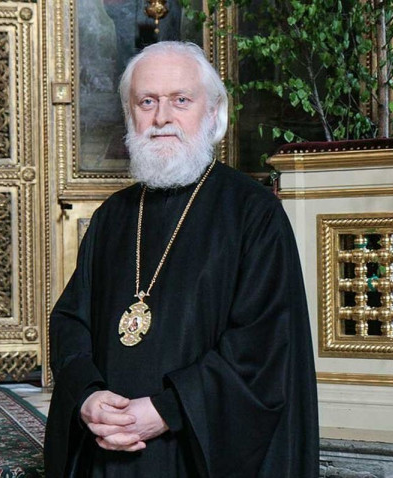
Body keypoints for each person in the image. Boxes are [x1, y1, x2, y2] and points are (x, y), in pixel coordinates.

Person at [45, 41, 318, 477]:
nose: (162, 118)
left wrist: (168, 408)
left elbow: (264, 346)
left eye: (181, 100)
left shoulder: (254, 213)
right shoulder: (113, 216)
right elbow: (70, 320)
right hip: (106, 450)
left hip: (197, 451)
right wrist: (87, 396)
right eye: (147, 101)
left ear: (213, 113)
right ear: (130, 114)